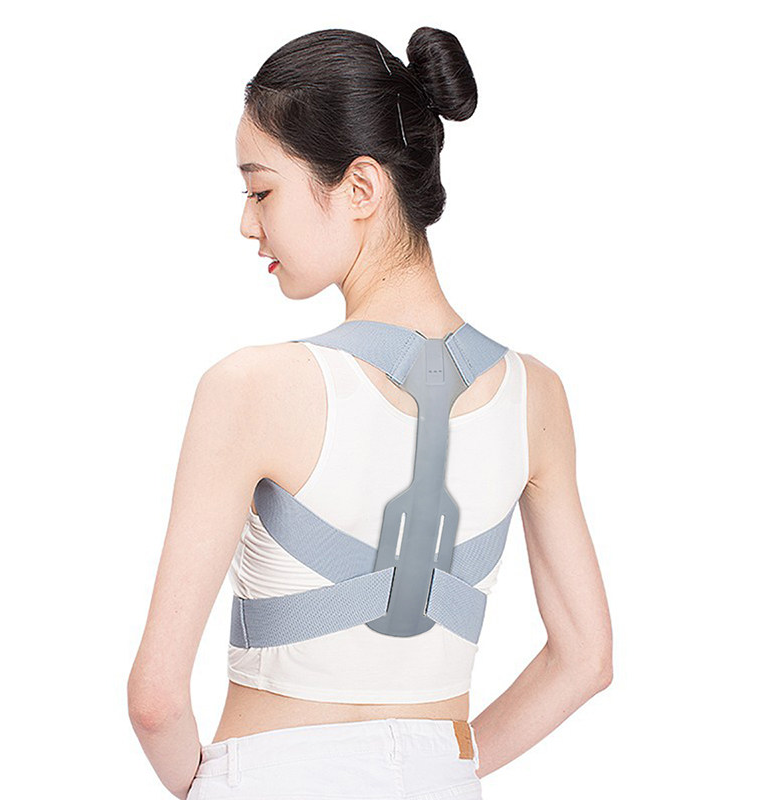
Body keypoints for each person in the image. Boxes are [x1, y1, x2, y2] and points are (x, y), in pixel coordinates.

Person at [127, 26, 613, 800]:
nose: (248, 223)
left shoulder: (252, 387)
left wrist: (216, 788)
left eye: (261, 190)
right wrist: (440, 767)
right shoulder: (537, 397)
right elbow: (585, 659)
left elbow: (156, 699)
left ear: (360, 187)